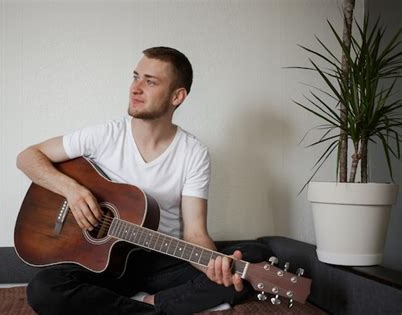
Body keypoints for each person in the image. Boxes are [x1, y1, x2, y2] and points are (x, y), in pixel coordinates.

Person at [17, 46, 272, 315]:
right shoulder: (105, 135)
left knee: (256, 257)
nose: (135, 88)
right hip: (103, 266)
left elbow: (195, 234)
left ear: (177, 96)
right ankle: (161, 307)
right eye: (135, 77)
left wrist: (217, 265)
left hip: (163, 262)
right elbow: (27, 157)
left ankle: (144, 305)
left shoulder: (193, 153)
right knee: (44, 288)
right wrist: (72, 190)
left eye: (150, 82)